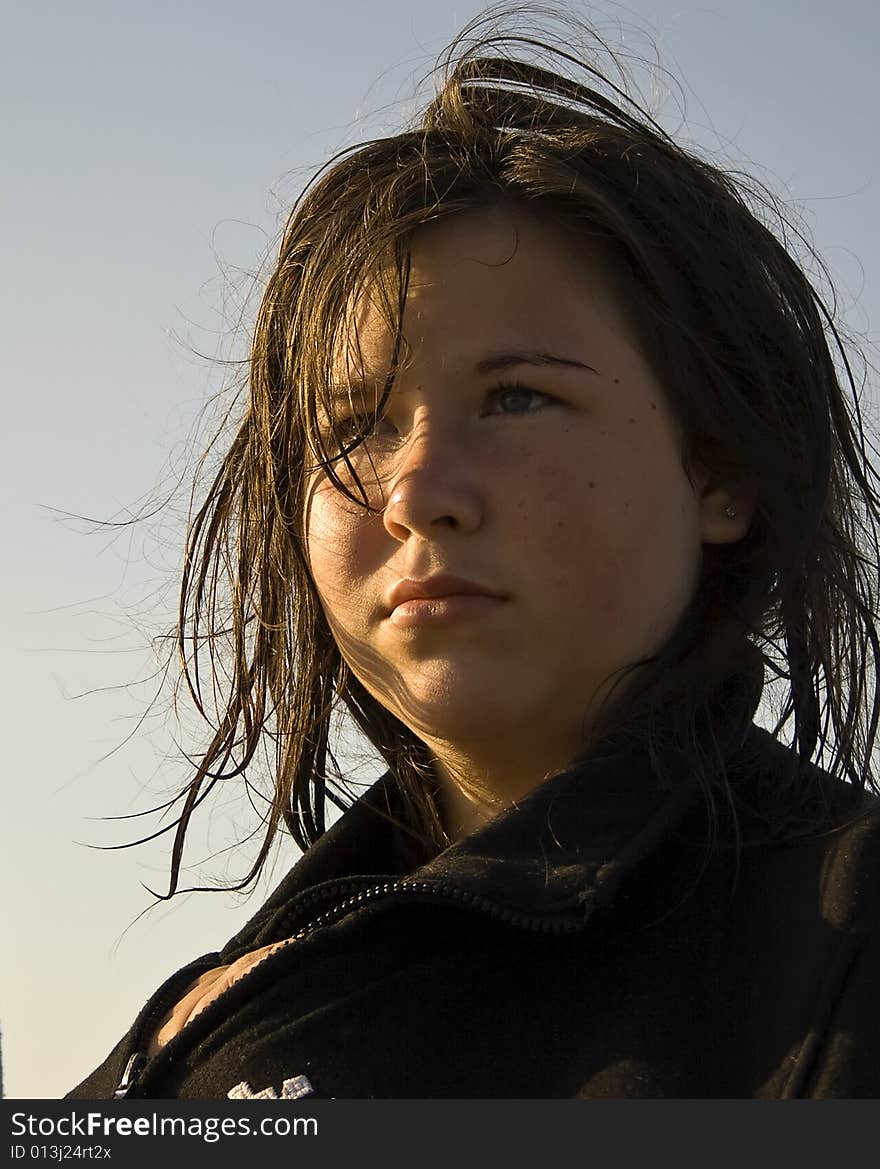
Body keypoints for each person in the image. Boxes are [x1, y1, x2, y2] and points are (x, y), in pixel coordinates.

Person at [67, 4, 880, 1099]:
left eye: (516, 397)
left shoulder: (837, 948)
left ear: (721, 470)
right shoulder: (212, 1011)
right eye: (354, 424)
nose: (417, 493)